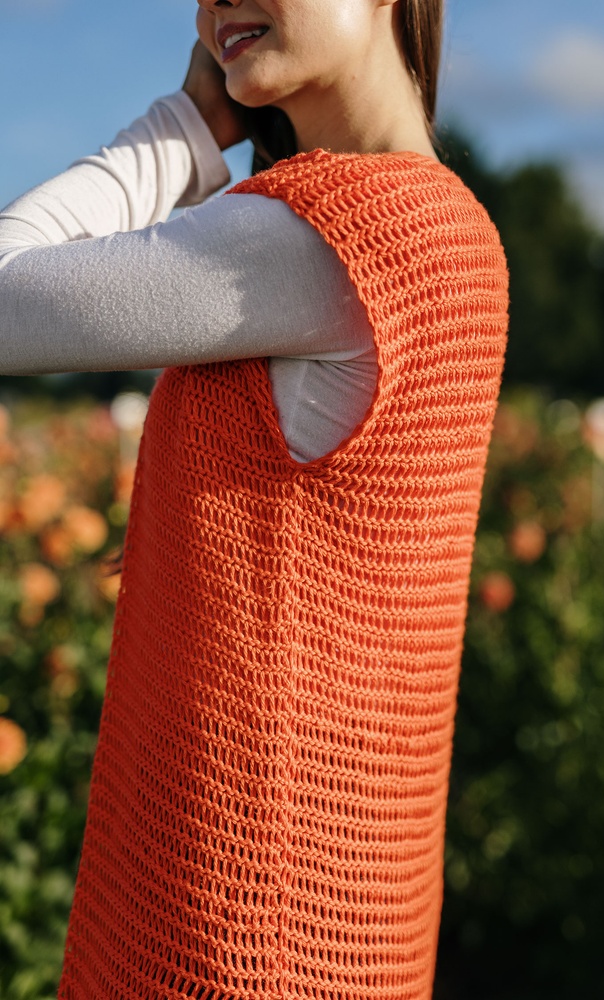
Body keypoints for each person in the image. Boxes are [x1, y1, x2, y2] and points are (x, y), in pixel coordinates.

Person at [0, 1, 509, 997]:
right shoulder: (453, 228)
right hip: (339, 908)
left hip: (233, 921)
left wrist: (183, 128)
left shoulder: (328, 238)